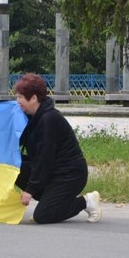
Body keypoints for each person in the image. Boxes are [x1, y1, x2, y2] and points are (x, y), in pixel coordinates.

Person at [13, 73, 101, 224]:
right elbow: (20, 145)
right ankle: (53, 201)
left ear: (33, 98)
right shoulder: (31, 117)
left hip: (69, 175)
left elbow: (44, 159)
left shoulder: (49, 120)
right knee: (13, 164)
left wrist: (30, 190)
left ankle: (86, 202)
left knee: (43, 215)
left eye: (21, 97)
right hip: (51, 172)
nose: (17, 101)